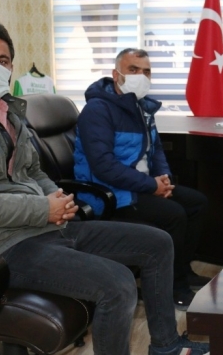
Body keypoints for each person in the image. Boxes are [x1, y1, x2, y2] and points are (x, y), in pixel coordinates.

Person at [0, 16, 209, 355]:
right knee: (118, 284)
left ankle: (166, 346)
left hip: (48, 228)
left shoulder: (9, 115)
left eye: (2, 61)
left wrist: (55, 198)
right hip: (3, 247)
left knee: (158, 243)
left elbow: (33, 171)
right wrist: (42, 208)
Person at [73, 48, 210, 310]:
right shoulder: (97, 109)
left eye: (146, 71)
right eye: (133, 70)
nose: (141, 76)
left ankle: (182, 269)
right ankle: (172, 287)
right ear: (116, 75)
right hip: (108, 192)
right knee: (174, 215)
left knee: (197, 203)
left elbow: (155, 150)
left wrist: (163, 179)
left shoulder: (142, 106)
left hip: (140, 185)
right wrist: (151, 186)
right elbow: (103, 166)